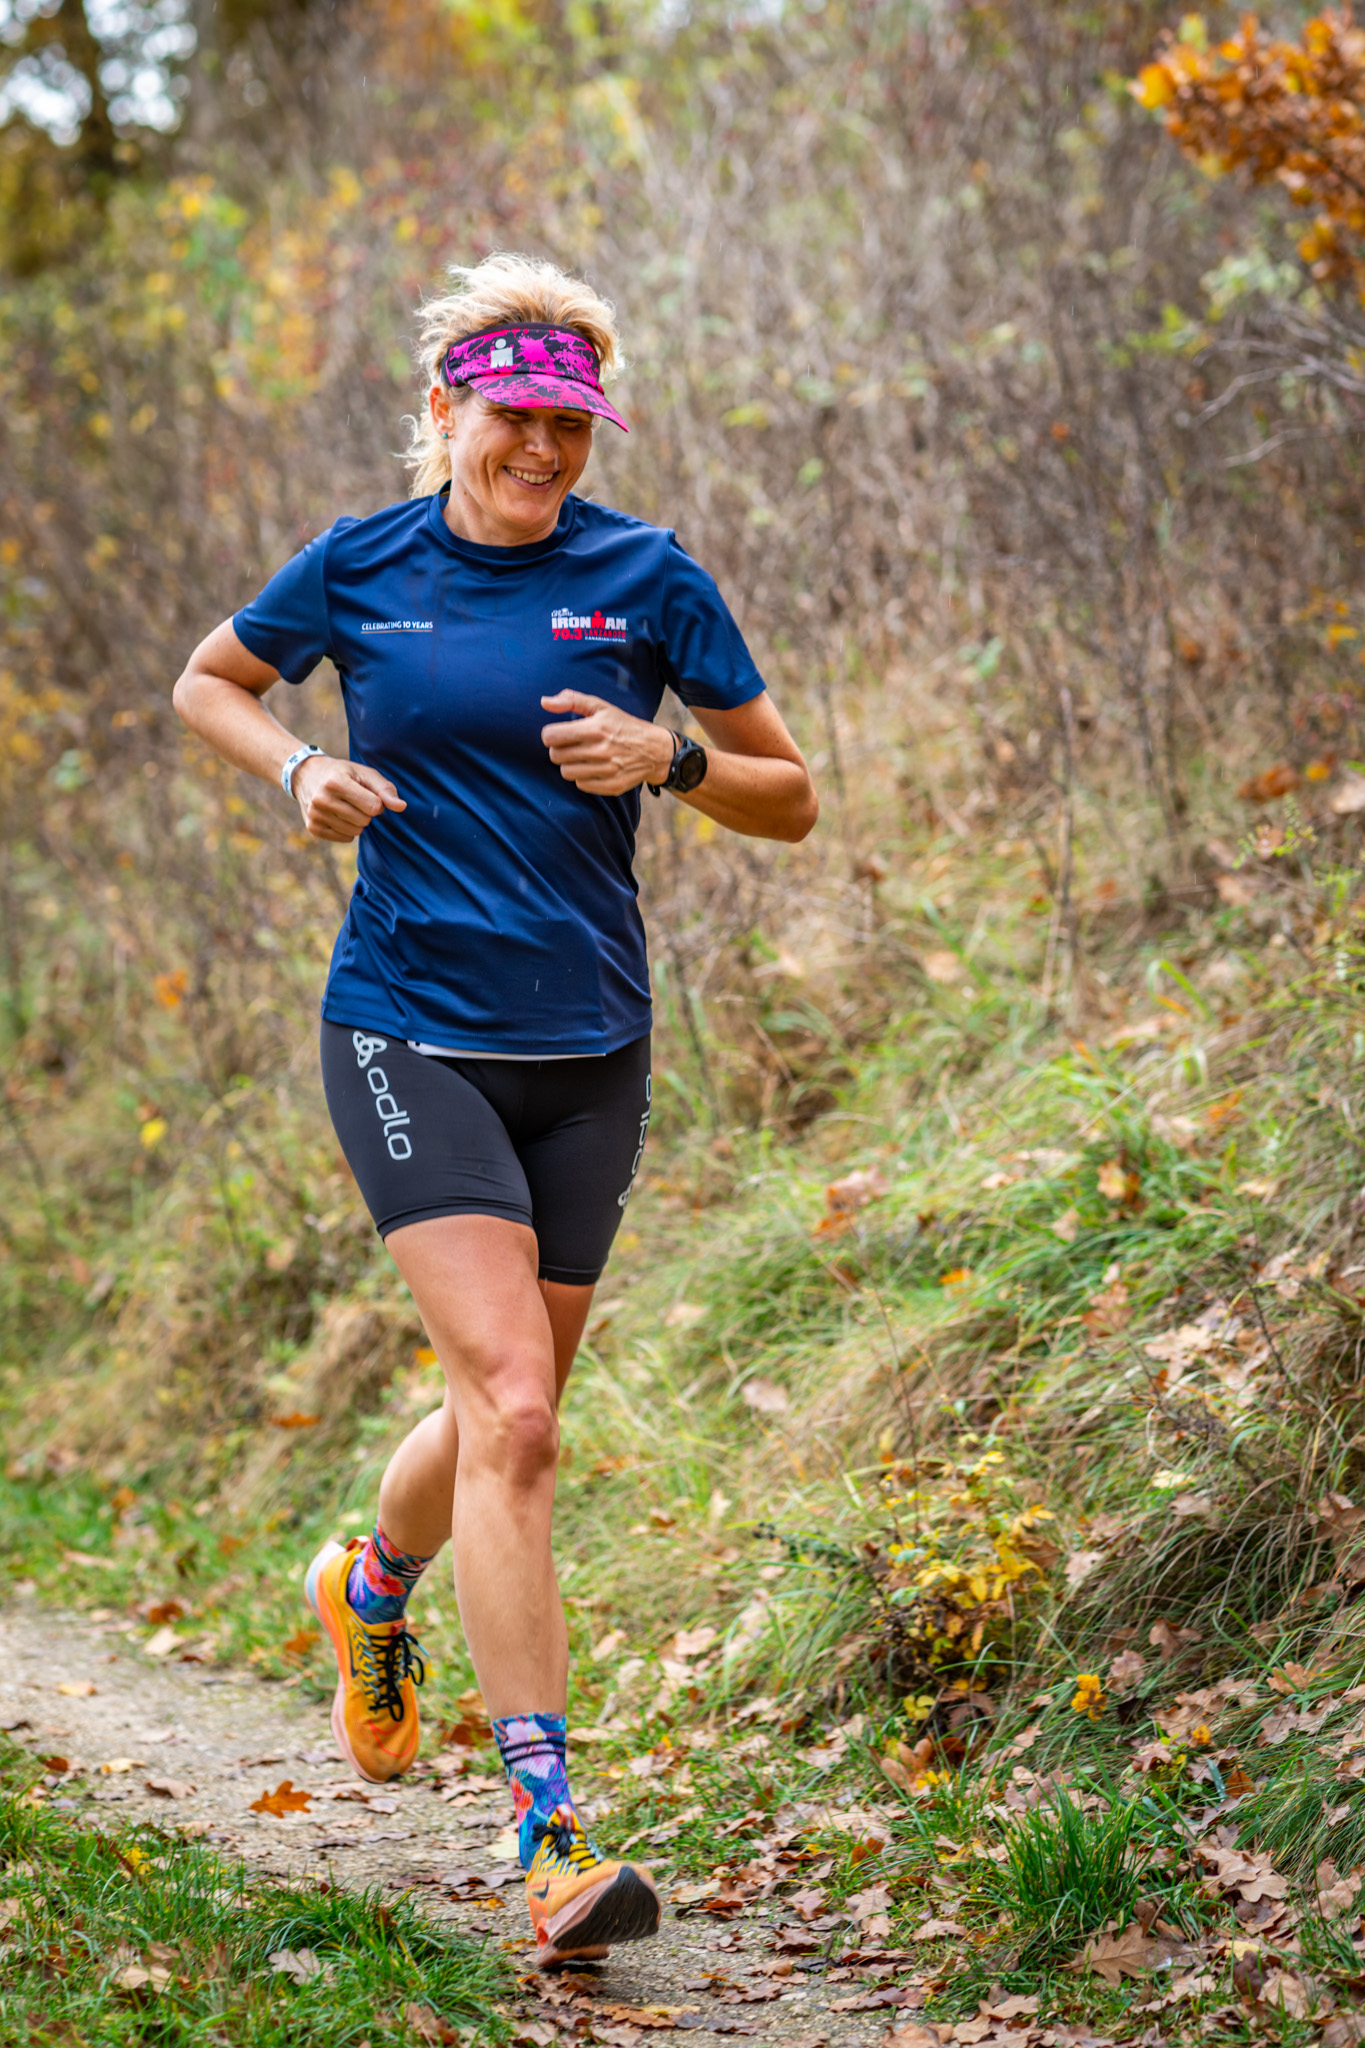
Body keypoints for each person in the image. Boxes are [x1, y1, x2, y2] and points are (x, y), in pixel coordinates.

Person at [172, 251, 818, 1969]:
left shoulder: (647, 579)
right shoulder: (362, 565)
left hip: (591, 1046)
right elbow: (208, 680)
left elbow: (791, 796)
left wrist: (673, 761)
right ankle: (547, 1835)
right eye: (514, 416)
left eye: (569, 425)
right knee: (518, 1412)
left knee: (501, 1414)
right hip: (407, 1030)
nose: (542, 448)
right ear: (447, 408)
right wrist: (299, 766)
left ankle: (367, 1586)